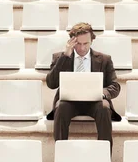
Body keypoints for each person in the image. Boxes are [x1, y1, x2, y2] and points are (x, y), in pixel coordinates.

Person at [46, 22, 121, 153]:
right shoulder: (60, 57)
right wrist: (65, 56)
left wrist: (100, 92)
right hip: (69, 102)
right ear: (72, 41)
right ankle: (61, 157)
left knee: (104, 107)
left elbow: (115, 86)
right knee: (61, 107)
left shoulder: (104, 59)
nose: (81, 48)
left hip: (95, 102)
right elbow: (51, 83)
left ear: (92, 41)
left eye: (85, 44)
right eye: (78, 44)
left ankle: (104, 159)